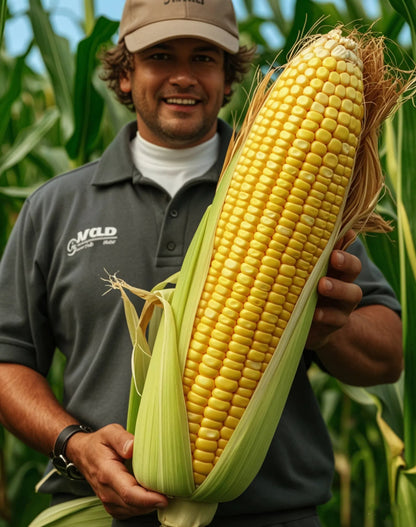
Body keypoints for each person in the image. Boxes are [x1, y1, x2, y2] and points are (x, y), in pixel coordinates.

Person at [0, 0, 403, 526]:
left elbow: (387, 356)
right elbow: (9, 359)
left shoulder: (316, 195)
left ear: (230, 77)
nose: (184, 76)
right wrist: (73, 444)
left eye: (205, 58)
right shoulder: (55, 206)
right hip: (102, 512)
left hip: (274, 516)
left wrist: (326, 328)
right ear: (125, 75)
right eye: (161, 56)